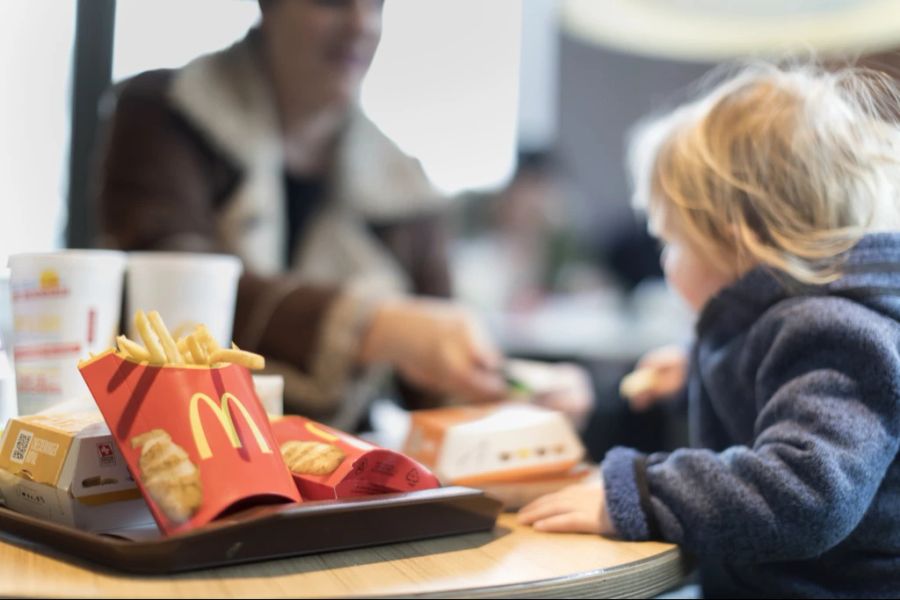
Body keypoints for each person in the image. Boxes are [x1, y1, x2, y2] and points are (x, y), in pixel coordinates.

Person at [519, 62, 900, 597]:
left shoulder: (833, 335)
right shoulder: (799, 326)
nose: (667, 262)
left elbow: (808, 493)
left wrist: (640, 494)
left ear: (734, 240)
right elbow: (772, 396)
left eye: (671, 242)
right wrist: (698, 369)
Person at [94, 0, 509, 429]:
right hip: (179, 441)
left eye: (377, 5)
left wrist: (511, 390)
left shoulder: (405, 184)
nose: (361, 24)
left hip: (345, 484)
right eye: (332, 2)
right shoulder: (166, 112)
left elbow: (436, 381)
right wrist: (368, 325)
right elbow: (170, 289)